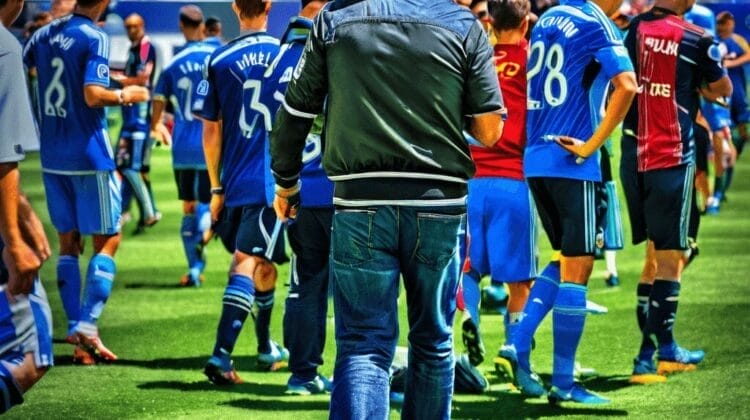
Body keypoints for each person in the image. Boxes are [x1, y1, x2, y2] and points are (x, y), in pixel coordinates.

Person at [270, 1, 505, 418]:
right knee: (433, 342)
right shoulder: (462, 23)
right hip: (438, 201)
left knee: (363, 344)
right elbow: (490, 130)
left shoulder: (334, 19)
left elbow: (295, 112)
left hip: (360, 201)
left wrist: (287, 182)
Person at [511, 0, 636, 405]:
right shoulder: (595, 21)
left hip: (536, 158)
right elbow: (628, 85)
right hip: (572, 160)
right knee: (578, 268)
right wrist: (592, 148)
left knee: (565, 256)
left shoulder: (547, 17)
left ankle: (518, 341)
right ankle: (563, 382)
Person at [23, 0, 150, 364]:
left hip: (52, 155)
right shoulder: (95, 35)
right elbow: (92, 95)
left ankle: (80, 340)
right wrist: (127, 94)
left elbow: (33, 70)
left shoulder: (44, 34)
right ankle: (88, 326)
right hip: (89, 155)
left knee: (68, 244)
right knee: (108, 239)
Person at [621, 0, 732, 384]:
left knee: (654, 255)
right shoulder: (696, 36)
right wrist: (698, 84)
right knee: (673, 257)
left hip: (632, 156)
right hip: (670, 156)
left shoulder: (634, 29)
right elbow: (723, 87)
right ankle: (652, 355)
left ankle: (656, 350)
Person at [194, 0, 289, 385]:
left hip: (234, 181)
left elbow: (210, 132)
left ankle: (266, 346)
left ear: (235, 7)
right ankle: (220, 356)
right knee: (248, 261)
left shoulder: (218, 59)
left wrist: (216, 187)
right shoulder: (286, 56)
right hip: (271, 184)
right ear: (270, 5)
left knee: (263, 264)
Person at [264, 0, 333, 396]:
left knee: (305, 283)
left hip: (293, 186)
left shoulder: (276, 60)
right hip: (337, 186)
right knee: (357, 289)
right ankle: (356, 376)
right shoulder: (329, 52)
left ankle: (302, 375)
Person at [0, 0, 53, 412]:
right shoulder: (5, 47)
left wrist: (23, 208)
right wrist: (15, 241)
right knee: (32, 355)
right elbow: (3, 157)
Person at [151, 5, 216, 287]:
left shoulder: (173, 65)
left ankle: (193, 270)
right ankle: (206, 232)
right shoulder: (214, 59)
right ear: (202, 26)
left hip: (182, 148)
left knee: (188, 206)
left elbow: (158, 100)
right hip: (209, 144)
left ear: (181, 26)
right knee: (207, 203)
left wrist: (155, 125)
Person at [113, 13, 160, 234]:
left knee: (131, 167)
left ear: (142, 26)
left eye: (134, 26)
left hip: (140, 120)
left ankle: (149, 212)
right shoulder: (133, 49)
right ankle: (128, 211)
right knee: (124, 165)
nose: (130, 30)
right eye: (127, 27)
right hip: (129, 119)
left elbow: (142, 79)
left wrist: (118, 80)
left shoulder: (145, 47)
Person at [716, 11, 749, 196]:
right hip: (721, 99)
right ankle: (720, 188)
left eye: (724, 22)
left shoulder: (737, 40)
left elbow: (748, 55)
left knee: (741, 134)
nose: (722, 26)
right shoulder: (714, 40)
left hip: (738, 95)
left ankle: (724, 179)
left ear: (732, 23)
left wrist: (732, 63)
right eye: (719, 23)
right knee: (723, 139)